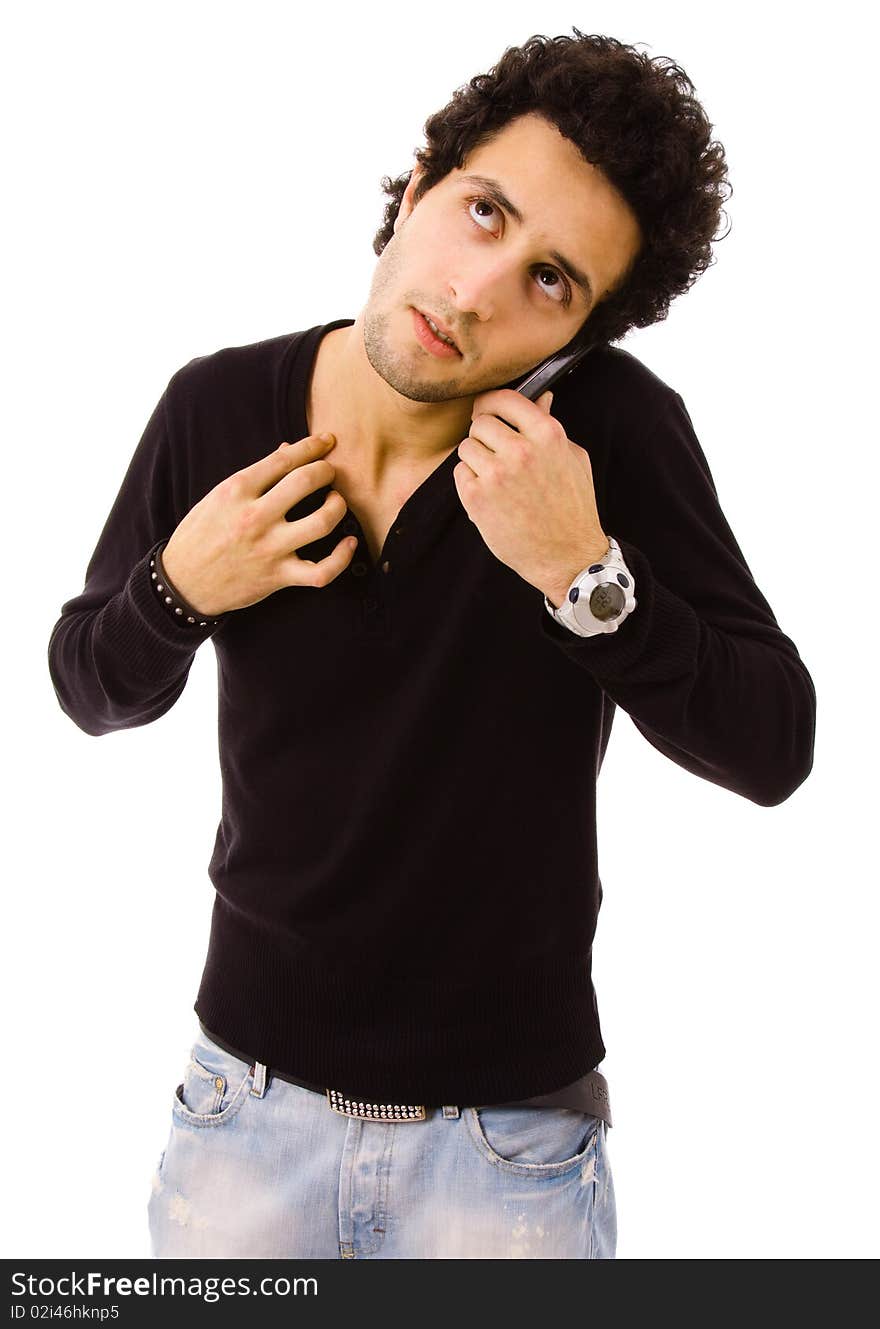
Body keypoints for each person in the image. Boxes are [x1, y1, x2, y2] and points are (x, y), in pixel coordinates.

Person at [47, 30, 816, 1260]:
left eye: (551, 279)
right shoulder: (217, 407)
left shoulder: (607, 440)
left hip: (507, 1152)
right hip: (241, 1120)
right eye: (482, 212)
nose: (474, 291)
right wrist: (180, 588)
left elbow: (774, 744)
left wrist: (583, 572)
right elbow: (87, 684)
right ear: (415, 193)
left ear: (584, 333)